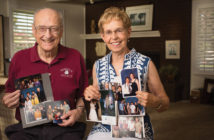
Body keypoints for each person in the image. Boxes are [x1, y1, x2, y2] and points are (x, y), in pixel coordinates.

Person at [83, 7, 169, 140]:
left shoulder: (146, 63)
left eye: (119, 30)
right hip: (105, 128)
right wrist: (90, 95)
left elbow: (165, 103)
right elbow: (97, 103)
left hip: (135, 129)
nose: (114, 37)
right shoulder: (98, 65)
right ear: (103, 36)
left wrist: (155, 101)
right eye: (109, 32)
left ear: (128, 32)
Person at [2, 8, 88, 140]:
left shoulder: (75, 57)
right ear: (33, 30)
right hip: (27, 130)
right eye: (42, 28)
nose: (48, 35)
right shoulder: (19, 58)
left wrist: (78, 111)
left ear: (61, 31)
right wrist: (8, 100)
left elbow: (83, 95)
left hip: (65, 128)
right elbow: (9, 93)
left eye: (54, 28)